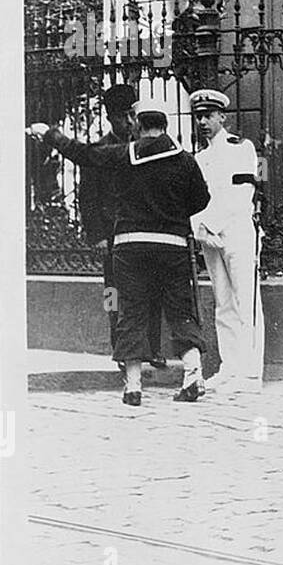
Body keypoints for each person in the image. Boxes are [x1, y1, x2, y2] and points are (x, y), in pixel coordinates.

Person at [27, 97, 211, 407]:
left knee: (131, 311)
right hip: (173, 247)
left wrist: (50, 134)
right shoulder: (186, 161)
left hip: (130, 247)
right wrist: (172, 212)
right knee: (181, 309)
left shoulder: (123, 155)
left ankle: (134, 386)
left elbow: (83, 154)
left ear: (138, 126)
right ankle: (193, 375)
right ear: (165, 127)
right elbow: (201, 200)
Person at [77, 84, 164, 368]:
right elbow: (87, 197)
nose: (128, 122)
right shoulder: (99, 150)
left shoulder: (144, 147)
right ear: (109, 118)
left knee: (151, 289)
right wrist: (98, 235)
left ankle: (152, 347)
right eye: (121, 117)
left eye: (132, 115)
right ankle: (120, 348)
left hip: (142, 232)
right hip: (112, 237)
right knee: (113, 294)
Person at [189, 89, 265, 391]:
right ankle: (229, 367)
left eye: (209, 116)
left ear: (223, 116)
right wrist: (201, 228)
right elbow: (195, 199)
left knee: (245, 302)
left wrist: (210, 224)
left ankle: (249, 373)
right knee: (223, 303)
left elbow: (242, 193)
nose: (203, 122)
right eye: (199, 117)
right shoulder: (200, 157)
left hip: (237, 232)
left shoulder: (241, 148)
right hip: (210, 236)